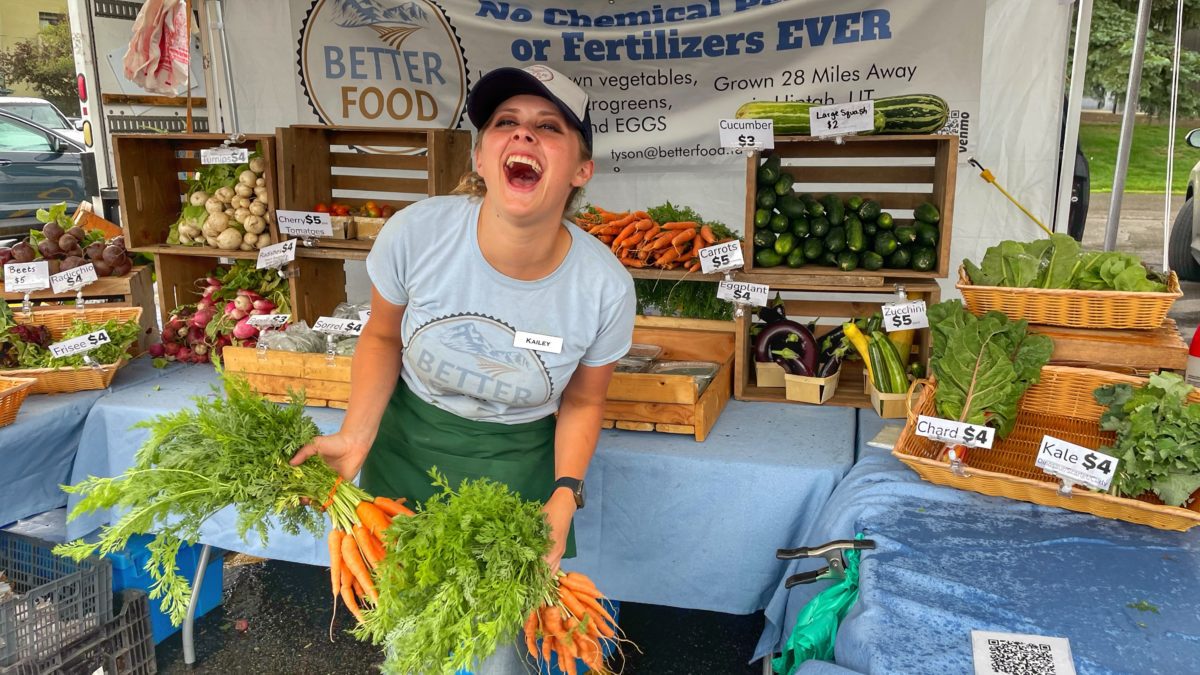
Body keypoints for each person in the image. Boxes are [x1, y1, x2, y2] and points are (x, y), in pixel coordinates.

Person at [289, 64, 635, 673]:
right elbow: (382, 336)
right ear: (480, 156)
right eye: (506, 124)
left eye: (548, 127)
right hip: (405, 455)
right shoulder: (417, 234)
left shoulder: (603, 286)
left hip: (519, 472)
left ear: (582, 170)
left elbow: (582, 402)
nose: (523, 137)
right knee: (413, 636)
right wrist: (355, 435)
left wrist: (563, 497)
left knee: (502, 650)